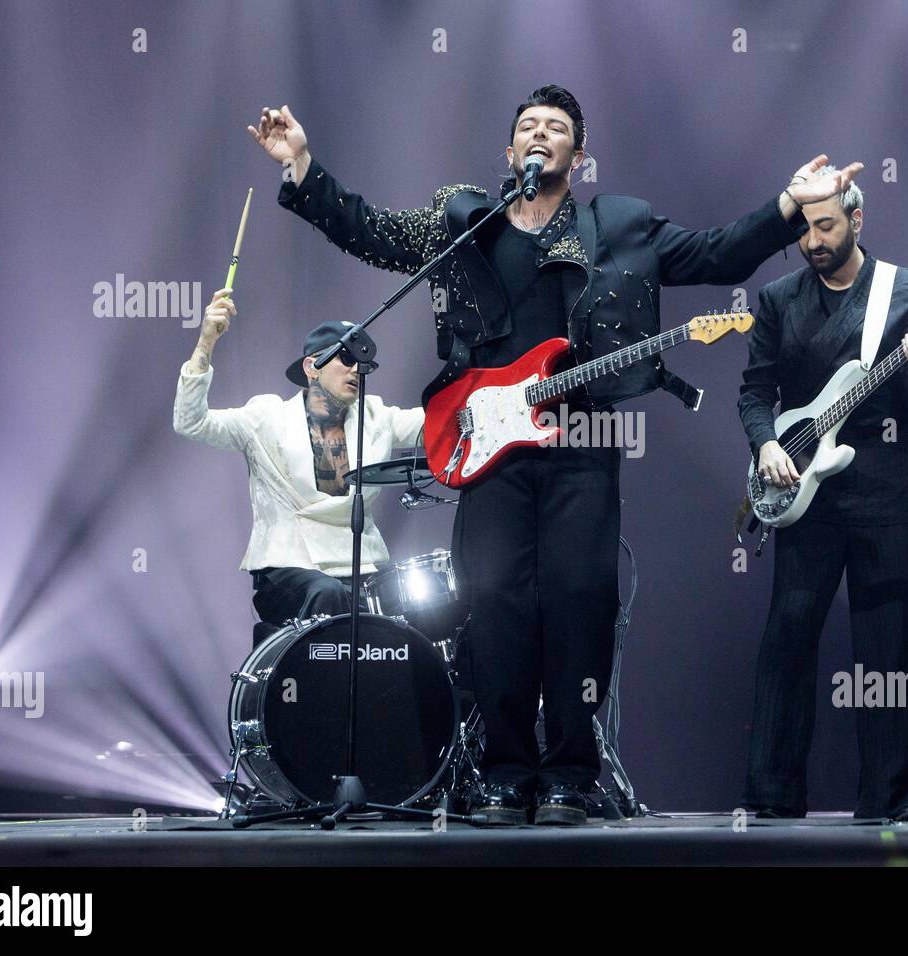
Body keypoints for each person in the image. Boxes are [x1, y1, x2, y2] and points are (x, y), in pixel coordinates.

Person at [249, 85, 861, 825]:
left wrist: (790, 205)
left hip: (580, 442)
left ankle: (569, 772)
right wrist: (303, 167)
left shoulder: (622, 226)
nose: (541, 135)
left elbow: (715, 251)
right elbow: (372, 231)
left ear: (578, 154)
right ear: (509, 153)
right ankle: (507, 772)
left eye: (557, 128)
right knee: (494, 603)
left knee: (579, 600)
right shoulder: (462, 222)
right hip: (487, 445)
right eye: (529, 127)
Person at [738, 167, 908, 822]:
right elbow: (753, 391)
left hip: (886, 485)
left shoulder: (906, 290)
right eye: (803, 228)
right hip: (805, 484)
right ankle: (772, 798)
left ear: (857, 220)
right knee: (788, 638)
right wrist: (766, 444)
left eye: (825, 226)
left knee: (892, 638)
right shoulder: (775, 299)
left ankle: (895, 794)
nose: (811, 240)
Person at [173, 291, 425, 628]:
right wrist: (206, 342)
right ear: (312, 367)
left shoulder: (376, 416)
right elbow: (192, 422)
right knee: (327, 593)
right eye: (345, 359)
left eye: (362, 364)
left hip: (361, 566)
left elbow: (435, 423)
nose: (355, 370)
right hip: (290, 569)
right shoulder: (266, 416)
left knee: (424, 598)